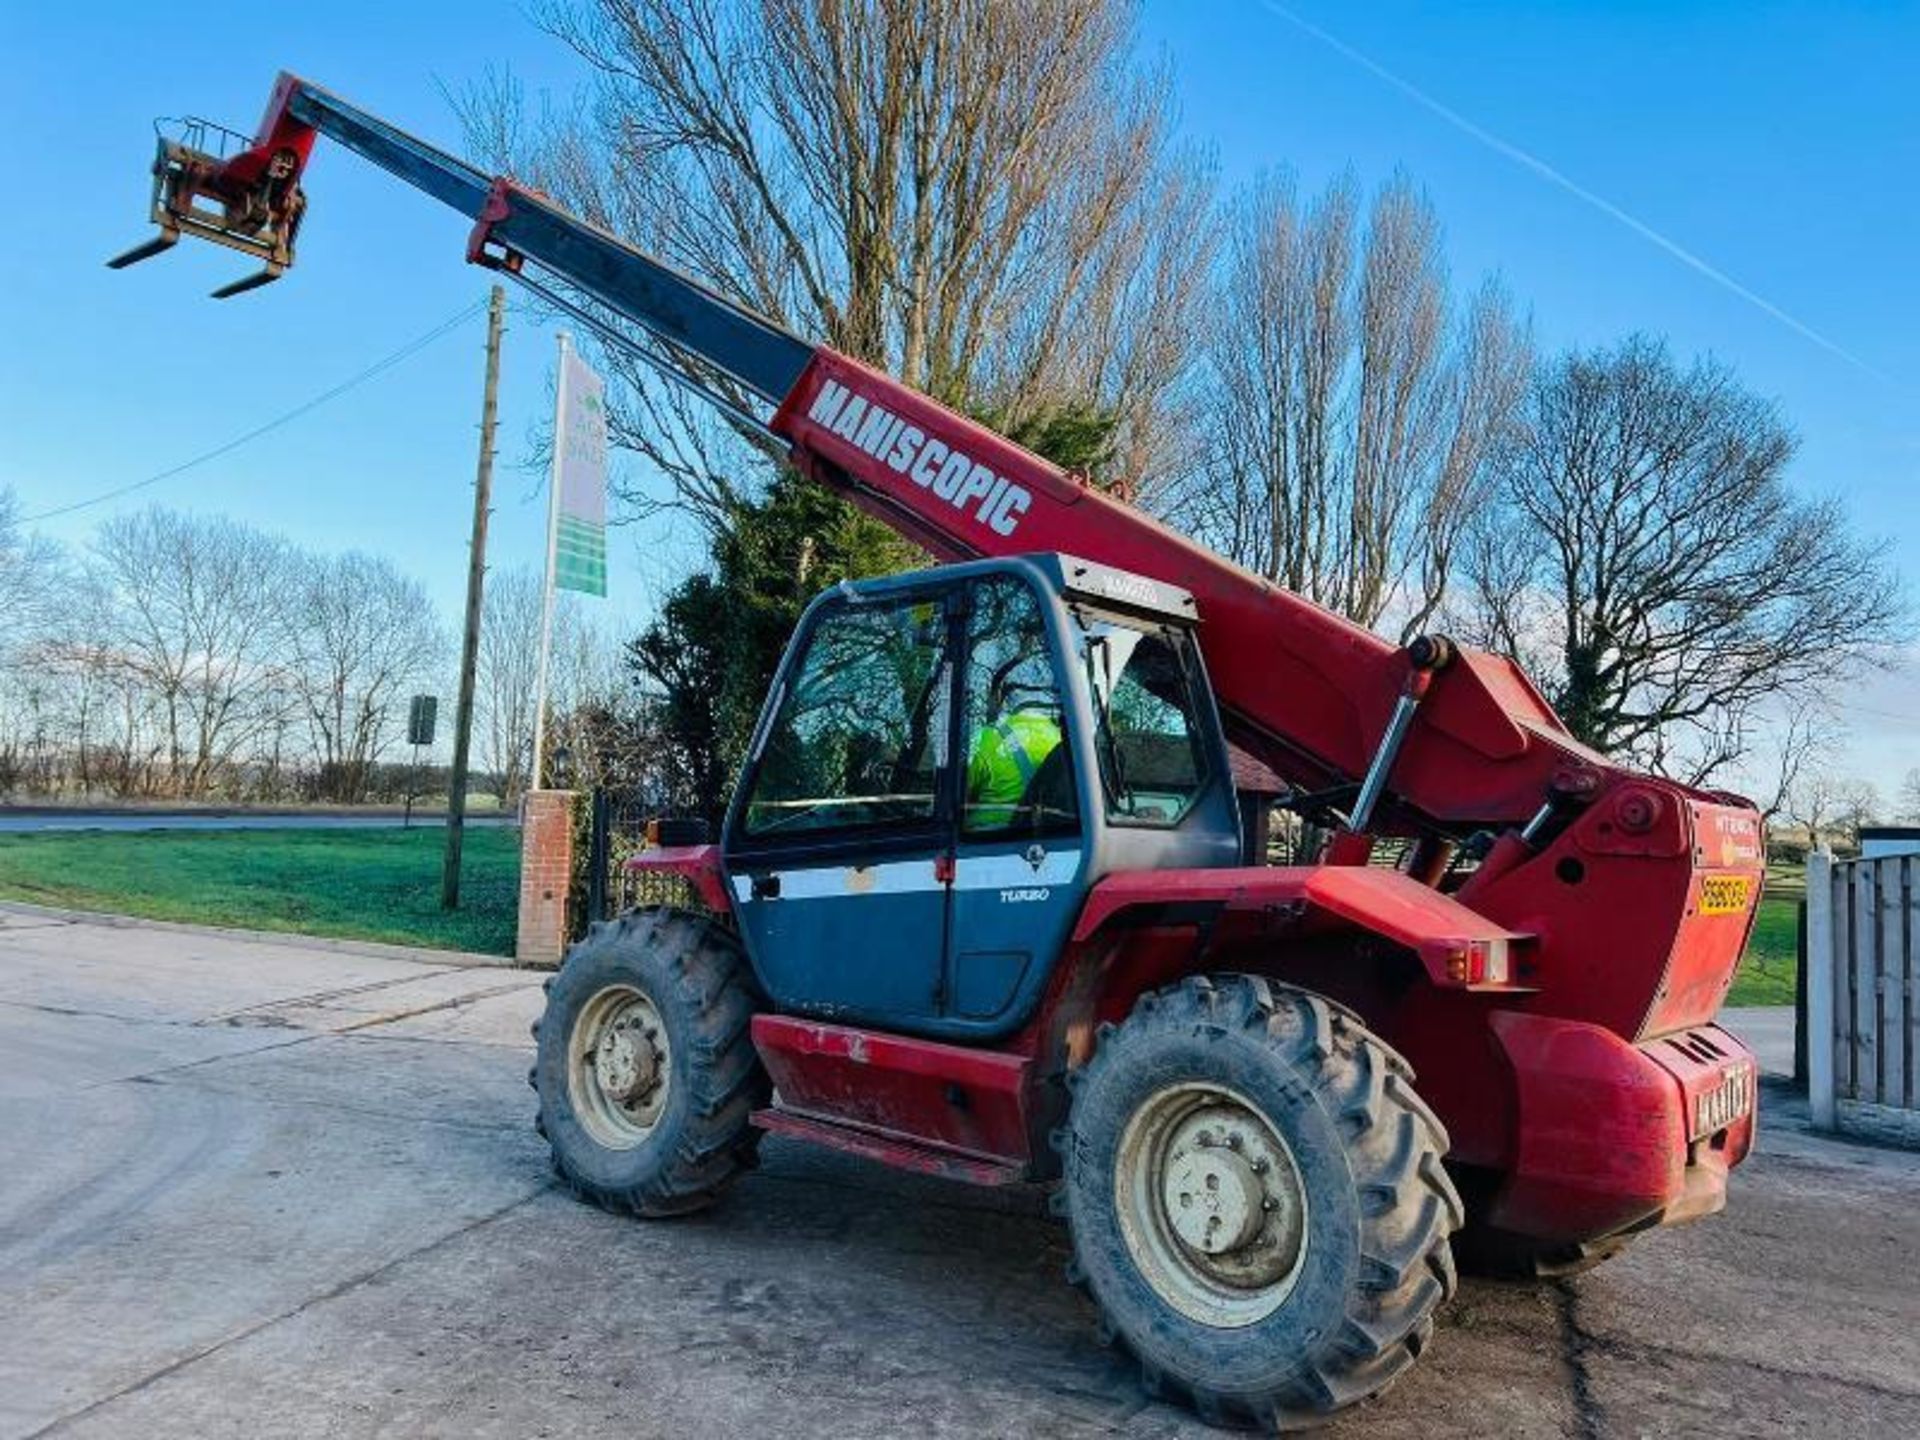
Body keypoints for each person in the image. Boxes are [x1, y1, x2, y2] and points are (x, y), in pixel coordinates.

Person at [966, 705, 1062, 829]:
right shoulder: (1060, 739)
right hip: (1048, 834)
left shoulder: (986, 738)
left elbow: (960, 795)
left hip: (983, 839)